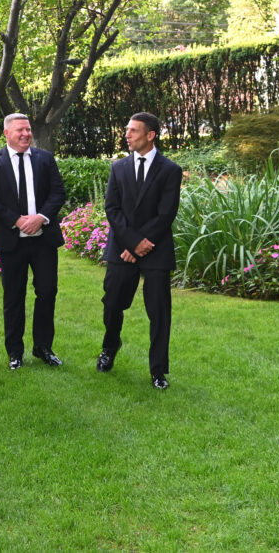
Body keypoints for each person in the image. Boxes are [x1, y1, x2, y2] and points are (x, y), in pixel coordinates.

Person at [97, 112, 183, 390]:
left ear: (151, 135)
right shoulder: (118, 168)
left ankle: (158, 370)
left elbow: (166, 213)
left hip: (155, 250)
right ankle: (110, 346)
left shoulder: (170, 170)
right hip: (122, 248)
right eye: (127, 129)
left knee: (159, 312)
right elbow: (112, 209)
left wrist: (143, 244)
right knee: (112, 304)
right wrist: (133, 244)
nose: (128, 134)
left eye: (134, 131)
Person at [0, 113, 67, 370]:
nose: (26, 134)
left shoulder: (45, 159)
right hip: (12, 242)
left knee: (47, 293)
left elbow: (57, 192)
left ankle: (43, 348)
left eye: (28, 130)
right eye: (20, 130)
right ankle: (15, 353)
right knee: (13, 297)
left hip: (43, 240)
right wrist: (18, 221)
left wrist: (40, 217)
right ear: (6, 133)